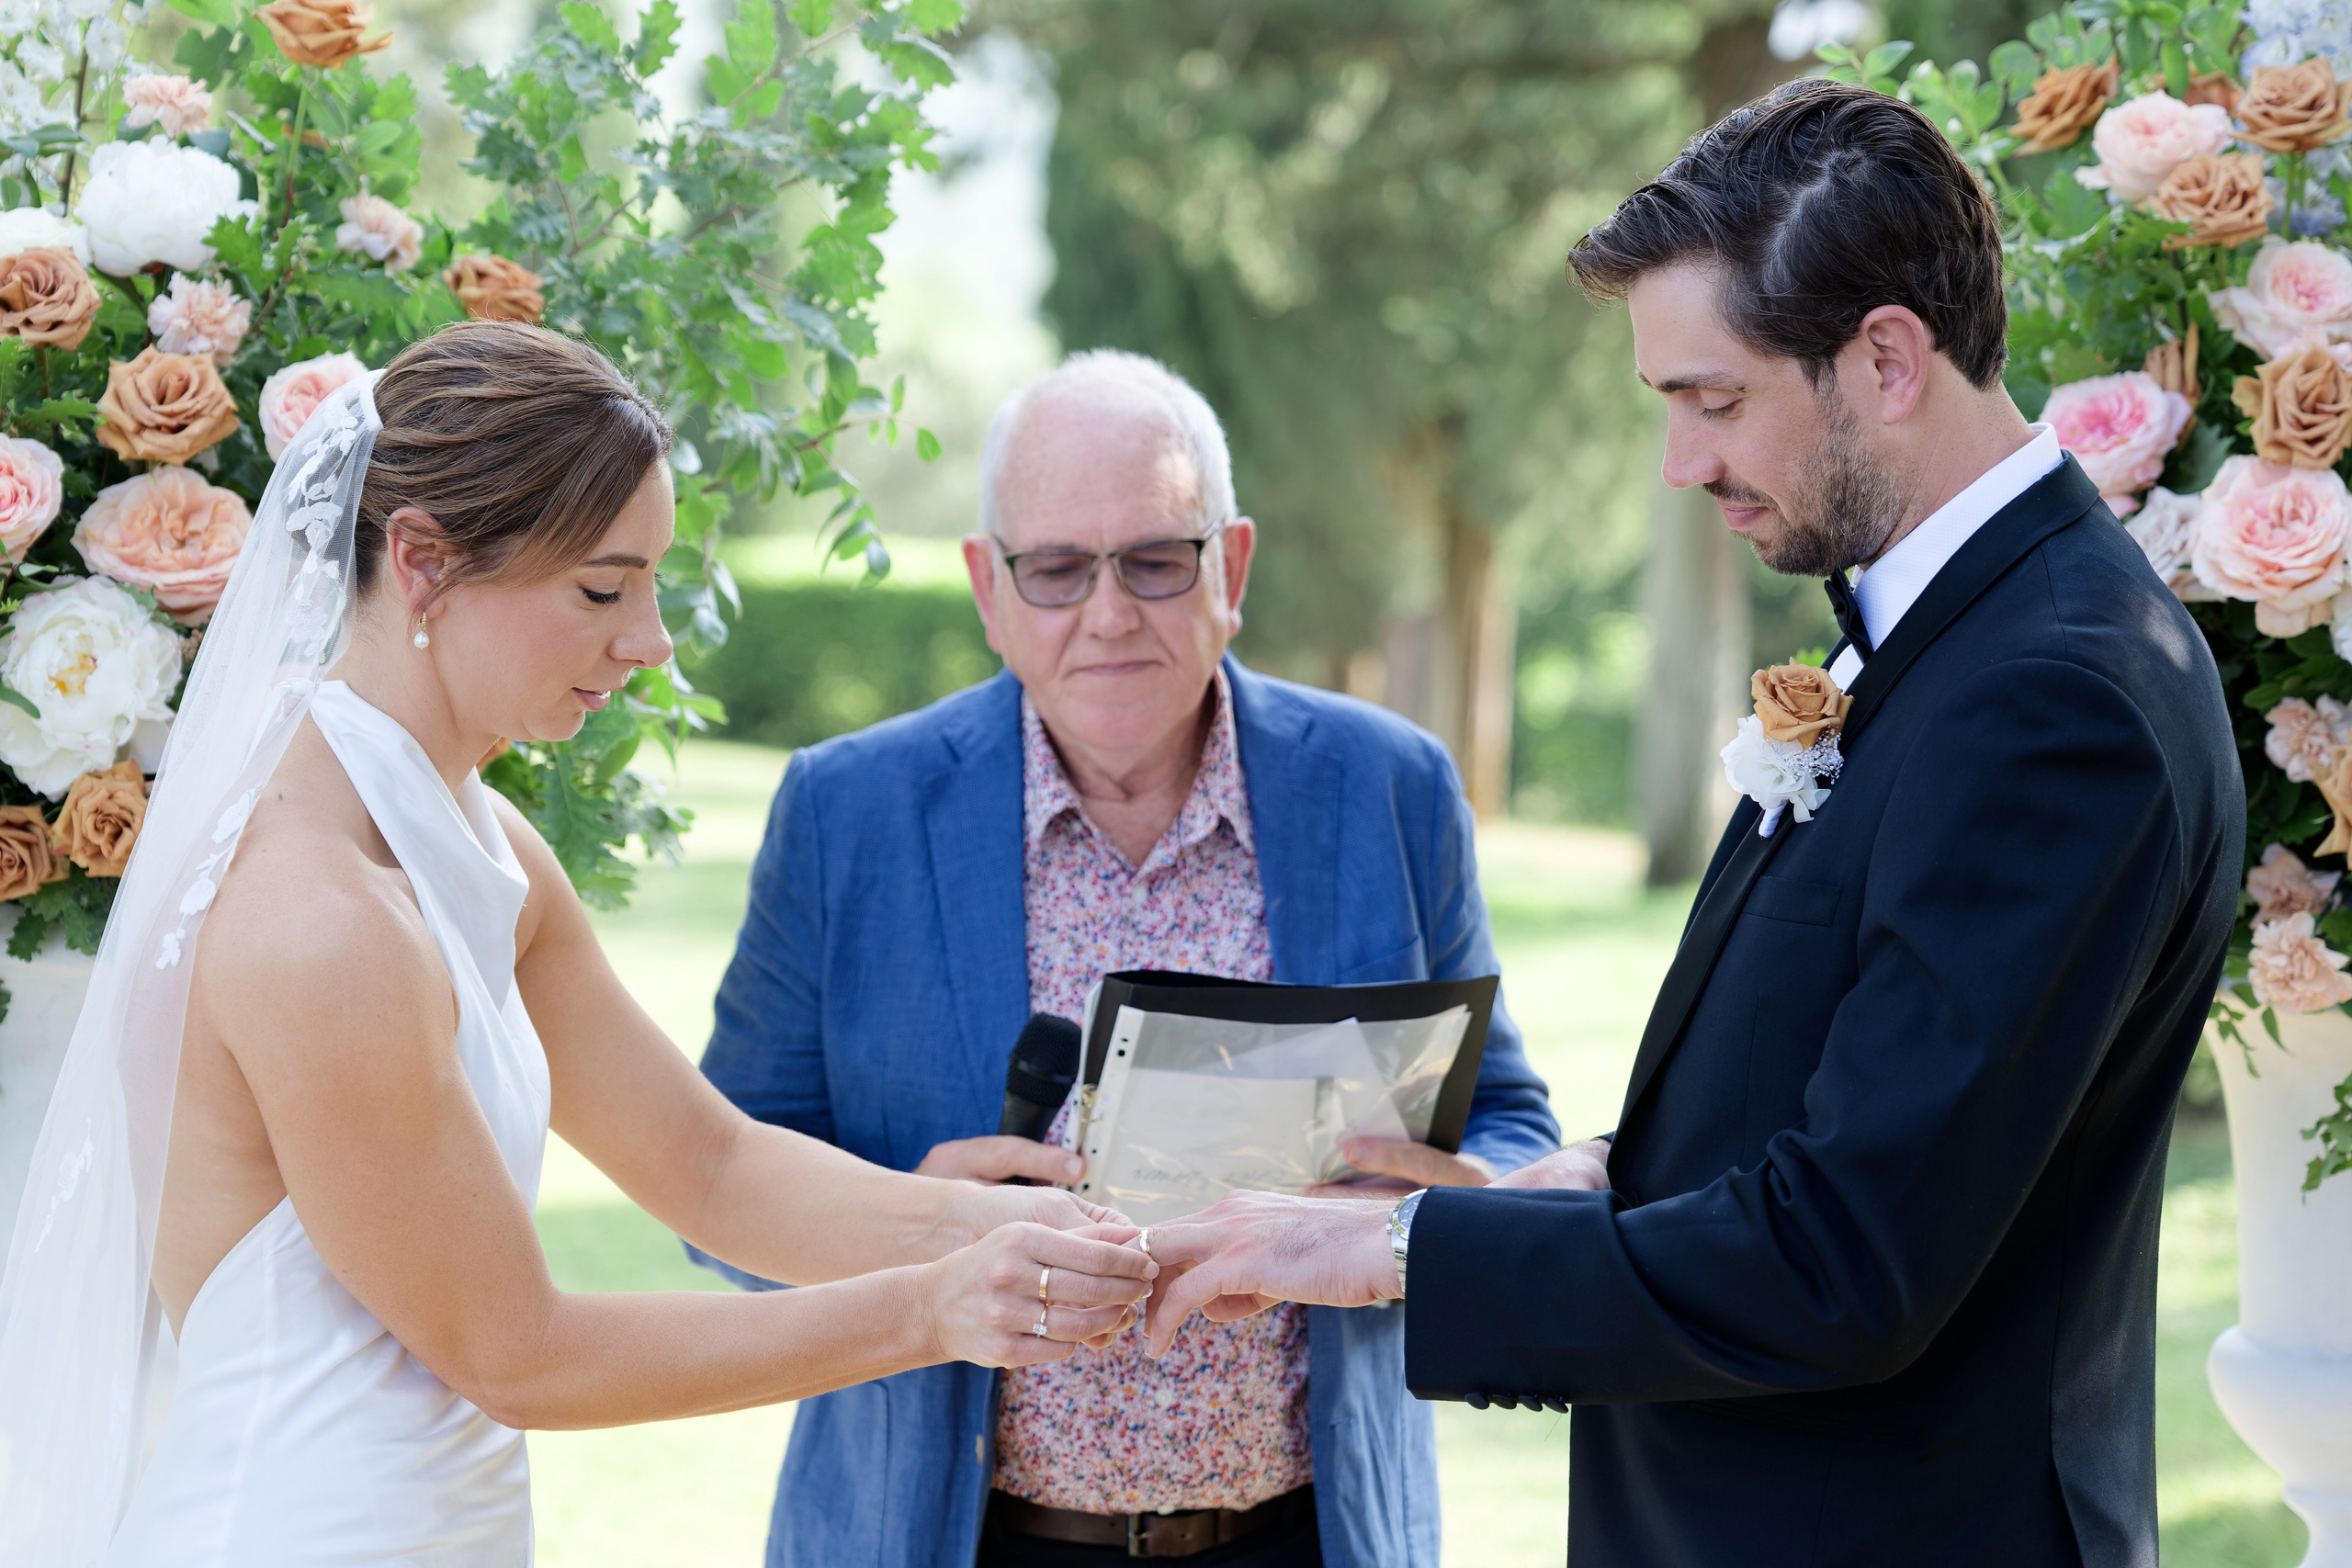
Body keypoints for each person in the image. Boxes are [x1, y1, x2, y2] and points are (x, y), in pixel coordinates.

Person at [1135, 80, 2244, 1568]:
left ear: (1890, 359)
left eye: (1713, 402)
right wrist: (1583, 1182)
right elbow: (1860, 1099)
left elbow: (1849, 1257)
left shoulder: (2053, 698)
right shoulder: (1945, 636)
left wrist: (1384, 1252)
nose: (1684, 463)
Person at [0, 321, 1158, 1567]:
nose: (650, 641)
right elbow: (520, 1355)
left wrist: (1031, 1236)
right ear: (424, 563)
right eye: (603, 589)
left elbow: (710, 1166)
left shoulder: (482, 842)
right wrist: (934, 1310)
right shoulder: (315, 919)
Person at [695, 349, 1559, 1568]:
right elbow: (714, 1200)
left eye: (1157, 561)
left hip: (1311, 1535)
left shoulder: (1387, 789)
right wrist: (914, 1217)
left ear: (1233, 568)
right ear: (989, 590)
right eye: (1055, 570)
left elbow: (1511, 1120)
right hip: (951, 1539)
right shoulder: (848, 815)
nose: (1108, 615)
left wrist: (1412, 1216)